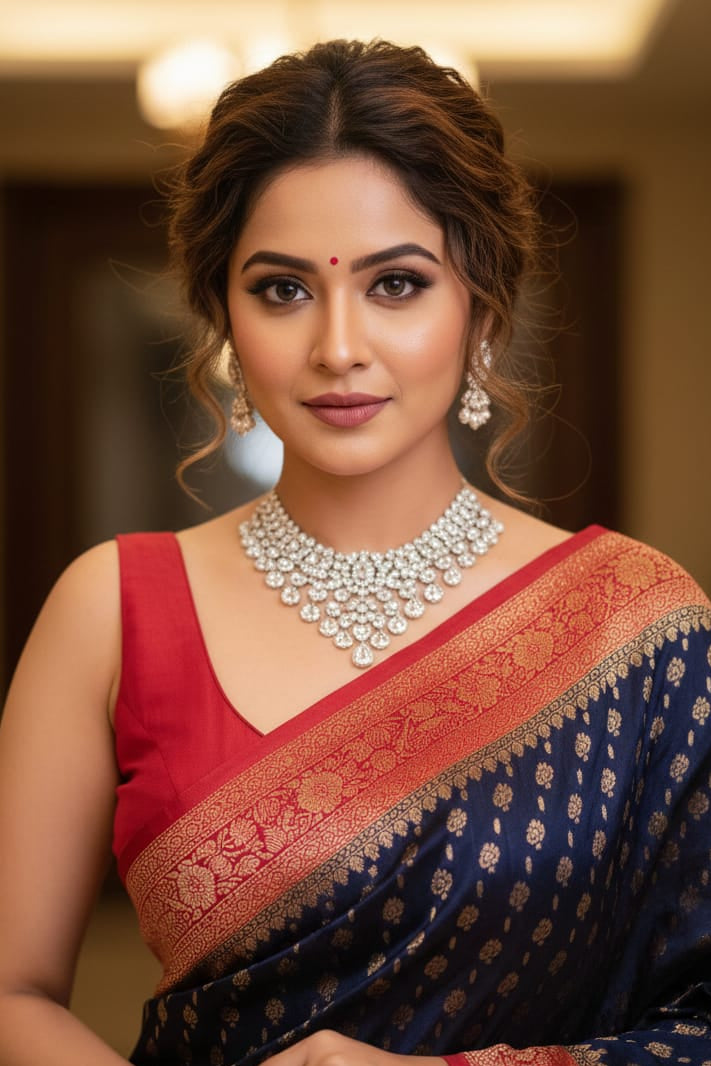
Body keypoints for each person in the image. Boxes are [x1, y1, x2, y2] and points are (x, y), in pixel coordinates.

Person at [0, 37, 709, 1066]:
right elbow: (11, 992)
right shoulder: (112, 608)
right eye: (282, 290)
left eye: (398, 284)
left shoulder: (635, 624)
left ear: (482, 313)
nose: (338, 347)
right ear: (223, 319)